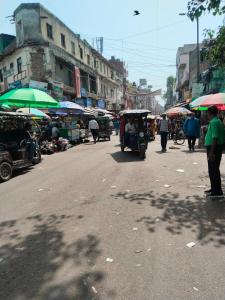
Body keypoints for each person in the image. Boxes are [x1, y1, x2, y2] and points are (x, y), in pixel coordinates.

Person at [205, 106, 225, 200]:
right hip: (215, 147)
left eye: (207, 113)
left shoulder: (214, 122)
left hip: (214, 148)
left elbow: (215, 138)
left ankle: (217, 192)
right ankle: (214, 189)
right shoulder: (216, 121)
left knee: (213, 170)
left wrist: (212, 152)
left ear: (210, 113)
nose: (206, 115)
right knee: (213, 169)